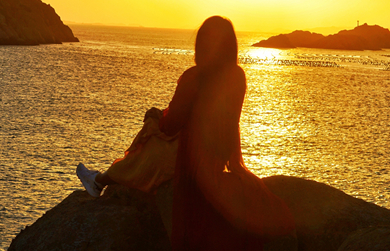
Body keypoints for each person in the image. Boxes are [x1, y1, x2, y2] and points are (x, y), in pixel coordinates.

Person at [78, 16, 295, 251]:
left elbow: (171, 125)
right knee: (153, 140)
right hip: (217, 156)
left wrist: (155, 117)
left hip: (190, 158)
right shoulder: (237, 76)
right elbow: (227, 122)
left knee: (150, 138)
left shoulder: (195, 76)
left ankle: (99, 180)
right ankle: (99, 179)